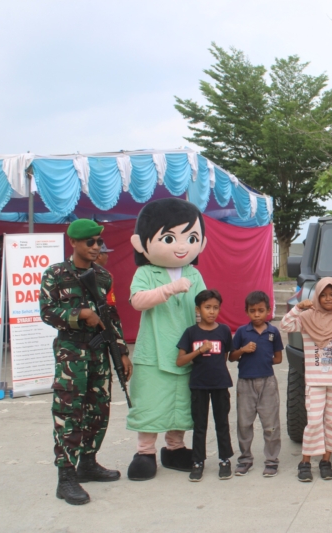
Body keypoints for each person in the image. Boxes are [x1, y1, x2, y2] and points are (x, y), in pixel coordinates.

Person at [39, 219, 131, 505]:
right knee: (69, 412)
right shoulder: (56, 274)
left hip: (99, 354)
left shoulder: (103, 277)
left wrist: (122, 352)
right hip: (71, 354)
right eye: (90, 242)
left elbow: (110, 315)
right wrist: (80, 315)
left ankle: (88, 462)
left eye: (99, 242)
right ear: (74, 243)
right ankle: (66, 476)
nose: (96, 247)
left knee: (98, 409)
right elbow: (46, 312)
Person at [126, 198, 208, 481]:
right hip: (155, 349)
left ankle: (174, 447)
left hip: (187, 350)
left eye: (191, 237)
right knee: (150, 400)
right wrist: (170, 289)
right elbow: (137, 301)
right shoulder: (147, 272)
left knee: (182, 402)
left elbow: (204, 307)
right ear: (141, 243)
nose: (181, 246)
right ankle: (145, 451)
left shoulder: (194, 274)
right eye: (170, 238)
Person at [281, 278, 332, 482]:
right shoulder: (307, 317)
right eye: (323, 295)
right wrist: (298, 308)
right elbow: (285, 325)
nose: (328, 299)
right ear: (317, 297)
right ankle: (305, 462)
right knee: (313, 422)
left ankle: (326, 461)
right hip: (315, 381)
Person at [176, 289, 234, 482]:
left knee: (222, 423)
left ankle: (225, 460)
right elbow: (180, 360)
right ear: (198, 309)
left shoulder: (224, 330)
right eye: (207, 307)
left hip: (220, 384)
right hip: (198, 385)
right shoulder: (191, 332)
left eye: (215, 308)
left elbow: (225, 356)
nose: (211, 312)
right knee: (200, 425)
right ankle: (197, 462)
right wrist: (200, 351)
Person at [230, 291, 283, 478]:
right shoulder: (242, 332)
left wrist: (265, 359)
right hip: (245, 383)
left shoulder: (273, 332)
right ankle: (245, 459)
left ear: (268, 310)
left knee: (271, 423)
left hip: (267, 381)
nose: (257, 315)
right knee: (244, 423)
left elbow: (278, 358)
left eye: (261, 310)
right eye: (253, 311)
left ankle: (271, 460)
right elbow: (231, 356)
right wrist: (243, 350)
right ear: (247, 312)